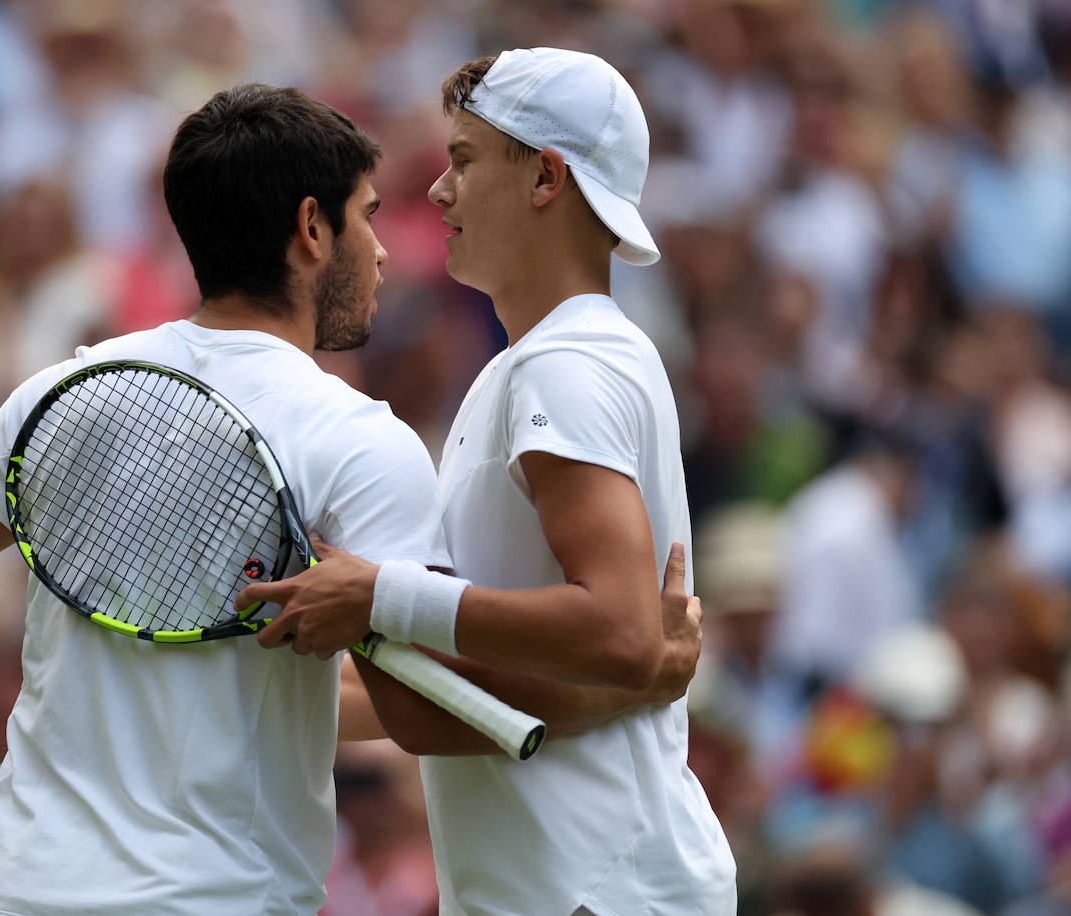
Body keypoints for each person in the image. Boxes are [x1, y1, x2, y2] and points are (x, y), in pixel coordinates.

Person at [0, 82, 699, 915]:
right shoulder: (363, 442)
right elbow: (420, 709)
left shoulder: (59, 394)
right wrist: (633, 683)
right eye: (368, 218)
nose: (386, 249)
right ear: (311, 229)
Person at [240, 49, 737, 914]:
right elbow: (442, 704)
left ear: (546, 177)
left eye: (464, 160)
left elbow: (619, 633)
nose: (436, 192)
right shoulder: (541, 365)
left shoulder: (565, 365)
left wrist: (383, 598)